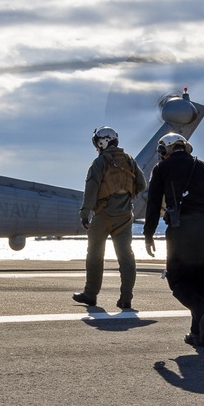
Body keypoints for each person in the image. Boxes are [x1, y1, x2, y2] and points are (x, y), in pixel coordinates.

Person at [143, 133, 204, 347]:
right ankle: (197, 333)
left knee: (177, 280)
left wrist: (148, 234)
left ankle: (202, 313)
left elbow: (153, 204)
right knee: (202, 278)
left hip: (179, 228)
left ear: (166, 149)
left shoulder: (161, 169)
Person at [73, 126, 147, 309]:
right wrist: (126, 197)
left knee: (95, 255)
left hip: (103, 216)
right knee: (126, 257)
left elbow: (91, 188)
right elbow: (142, 184)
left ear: (102, 142)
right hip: (124, 217)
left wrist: (84, 213)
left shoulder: (100, 162)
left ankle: (90, 295)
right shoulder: (129, 160)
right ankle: (126, 299)